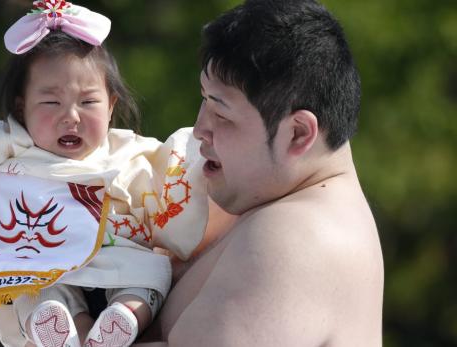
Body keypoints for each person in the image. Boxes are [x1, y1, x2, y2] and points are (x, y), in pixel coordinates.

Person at [0, 1, 208, 347]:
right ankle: (64, 328)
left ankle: (125, 315)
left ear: (111, 105)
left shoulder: (128, 149)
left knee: (151, 274)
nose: (71, 116)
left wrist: (194, 171)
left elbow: (172, 173)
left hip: (118, 255)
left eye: (87, 102)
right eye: (51, 103)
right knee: (28, 287)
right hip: (42, 255)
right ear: (22, 107)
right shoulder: (8, 144)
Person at [137, 0, 384, 346]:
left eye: (221, 113)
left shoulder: (300, 238)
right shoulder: (274, 204)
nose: (199, 129)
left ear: (298, 133)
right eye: (204, 100)